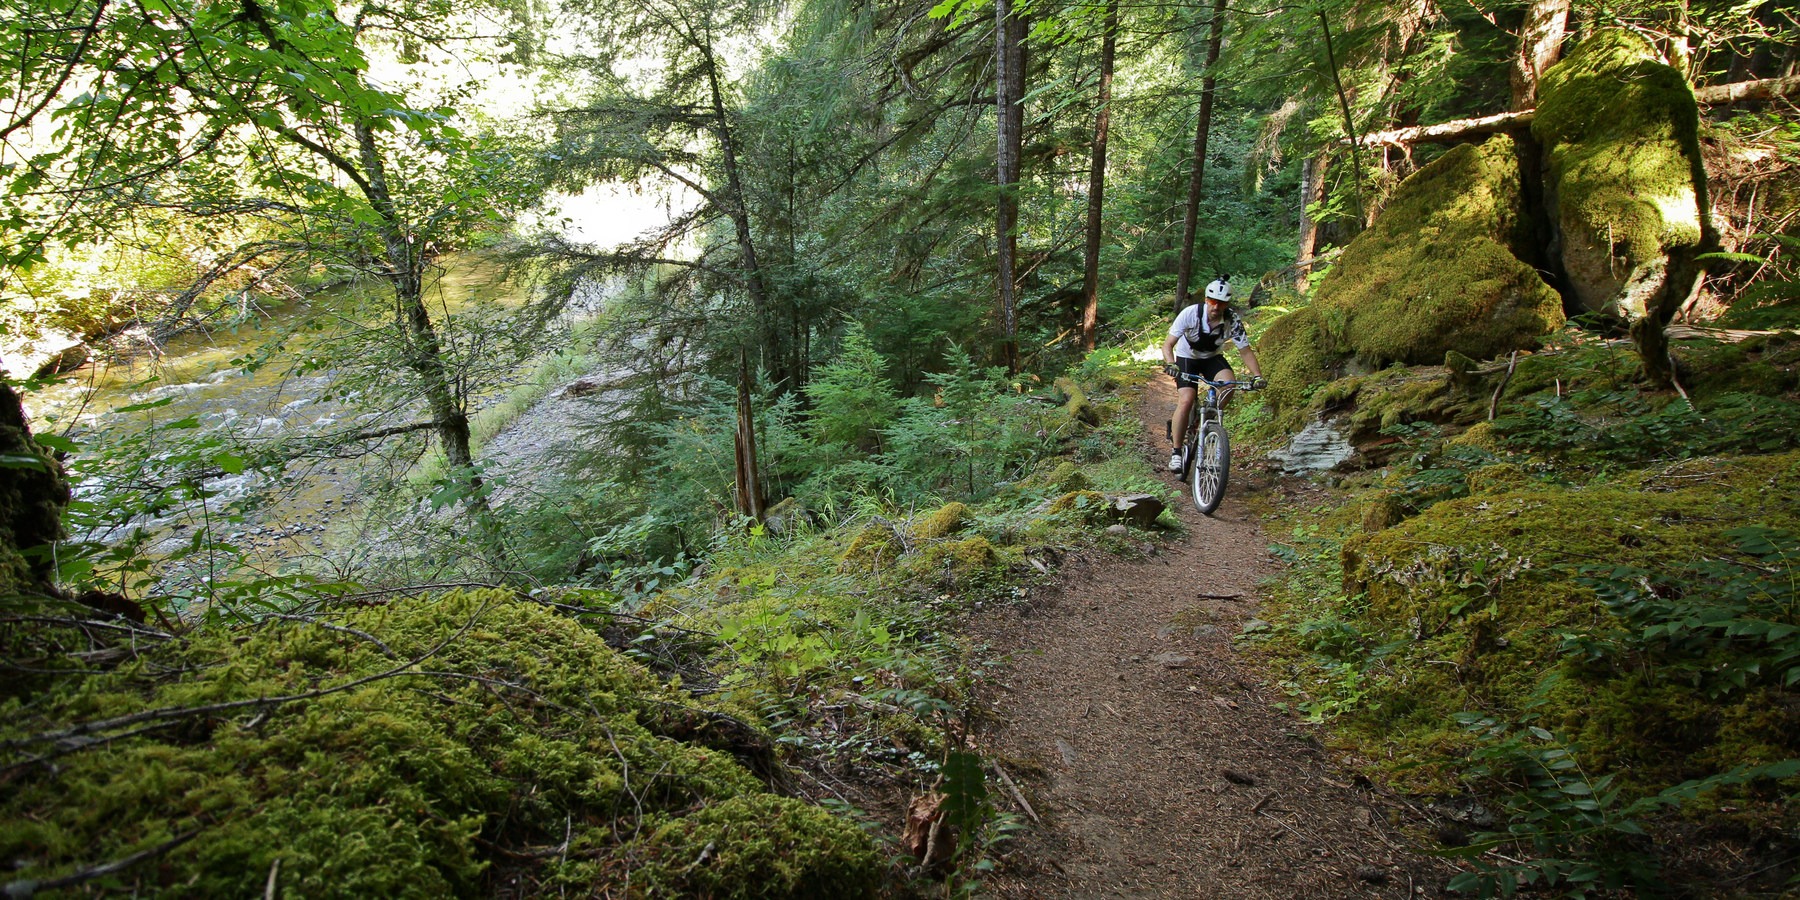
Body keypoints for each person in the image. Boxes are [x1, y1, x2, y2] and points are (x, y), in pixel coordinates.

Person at [1161, 276, 1262, 471]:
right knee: (1186, 399)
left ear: (1227, 304)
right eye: (1213, 302)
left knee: (1228, 385)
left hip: (1211, 358)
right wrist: (1171, 364)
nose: (1216, 307)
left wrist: (1257, 375)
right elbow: (1168, 344)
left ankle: (1209, 419)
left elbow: (1246, 351)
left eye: (1221, 303)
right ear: (1207, 299)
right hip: (1186, 357)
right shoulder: (1190, 314)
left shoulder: (1232, 320)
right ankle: (1176, 452)